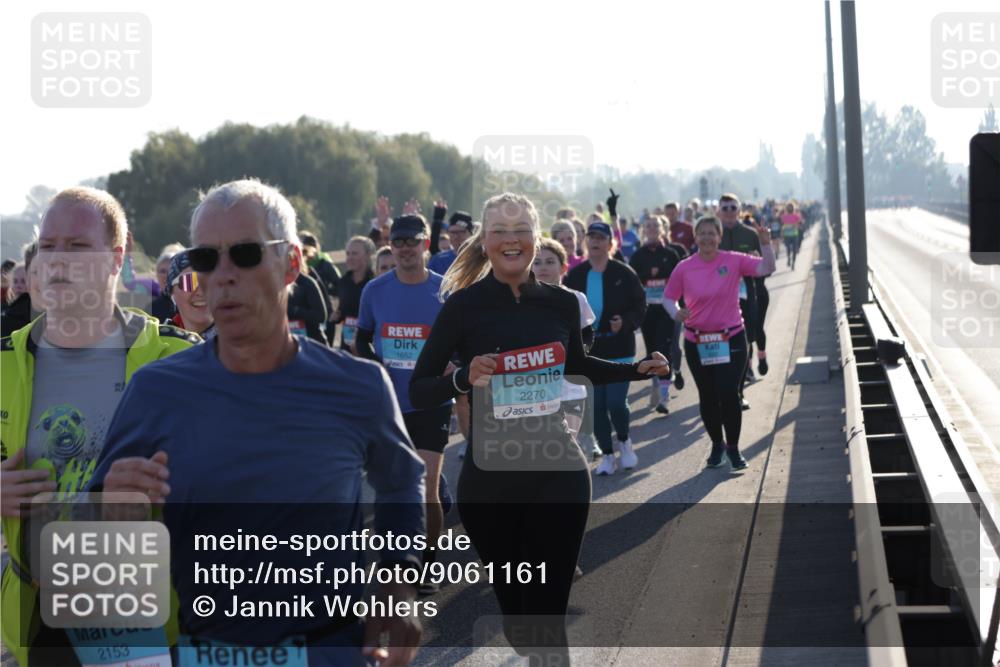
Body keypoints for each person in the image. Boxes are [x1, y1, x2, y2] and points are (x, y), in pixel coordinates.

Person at [90, 178, 425, 666]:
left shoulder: (359, 386)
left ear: (291, 263)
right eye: (205, 259)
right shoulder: (155, 392)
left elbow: (401, 482)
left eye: (245, 254)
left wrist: (398, 581)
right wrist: (109, 512)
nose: (222, 276)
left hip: (332, 650)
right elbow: (97, 529)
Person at [409, 192, 668, 662]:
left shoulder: (562, 304)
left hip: (558, 469)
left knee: (547, 623)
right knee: (522, 624)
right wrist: (463, 377)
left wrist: (636, 369)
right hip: (490, 482)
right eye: (500, 231)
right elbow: (419, 389)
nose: (512, 240)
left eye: (521, 230)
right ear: (484, 242)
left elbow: (577, 364)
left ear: (536, 236)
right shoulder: (462, 309)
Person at [0, 187, 197, 667]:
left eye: (77, 246)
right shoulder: (5, 362)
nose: (57, 261)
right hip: (35, 623)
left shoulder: (180, 359)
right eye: (48, 246)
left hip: (148, 618)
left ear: (116, 257)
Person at [355, 214, 451, 596]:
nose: (406, 248)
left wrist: (453, 366)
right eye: (399, 242)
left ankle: (427, 562)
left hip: (431, 400)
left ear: (427, 243)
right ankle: (394, 561)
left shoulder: (446, 291)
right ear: (390, 246)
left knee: (427, 486)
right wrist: (375, 368)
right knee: (391, 487)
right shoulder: (375, 291)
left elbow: (461, 343)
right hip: (389, 404)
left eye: (413, 240)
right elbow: (361, 340)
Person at [663, 216, 775, 472]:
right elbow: (669, 299)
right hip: (697, 340)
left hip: (731, 337)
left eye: (711, 233)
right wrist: (676, 312)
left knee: (728, 393)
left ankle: (734, 449)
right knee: (708, 396)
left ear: (719, 236)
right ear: (695, 237)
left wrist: (766, 244)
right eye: (701, 233)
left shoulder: (733, 260)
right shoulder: (684, 267)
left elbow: (767, 268)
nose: (706, 238)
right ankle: (717, 445)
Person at [564, 210, 648, 476]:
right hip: (589, 351)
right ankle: (608, 456)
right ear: (585, 242)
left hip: (620, 348)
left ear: (610, 243)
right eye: (591, 237)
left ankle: (623, 439)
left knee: (614, 402)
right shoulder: (575, 276)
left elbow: (640, 305)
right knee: (596, 408)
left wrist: (624, 322)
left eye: (601, 237)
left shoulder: (624, 272)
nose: (595, 241)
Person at [630, 215, 683, 415]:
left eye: (655, 226)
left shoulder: (670, 254)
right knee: (651, 349)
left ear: (662, 229)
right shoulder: (637, 256)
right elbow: (632, 284)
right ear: (644, 230)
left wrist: (682, 307)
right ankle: (658, 385)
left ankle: (664, 396)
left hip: (666, 308)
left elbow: (680, 281)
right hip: (647, 310)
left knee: (664, 347)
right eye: (648, 226)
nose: (652, 229)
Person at [717, 193, 761, 410]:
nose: (729, 211)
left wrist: (756, 258)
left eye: (732, 207)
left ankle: (739, 391)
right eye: (724, 208)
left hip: (746, 294)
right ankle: (725, 389)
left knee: (745, 341)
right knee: (722, 343)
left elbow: (763, 267)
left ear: (739, 209)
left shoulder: (750, 234)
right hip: (719, 298)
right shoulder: (712, 235)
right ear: (718, 211)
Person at [299, 230, 342, 344]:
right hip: (304, 322)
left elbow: (340, 286)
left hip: (325, 316)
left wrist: (327, 291)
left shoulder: (324, 265)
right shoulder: (295, 270)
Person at [335, 235, 376, 353]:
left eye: (354, 253)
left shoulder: (375, 283)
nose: (350, 258)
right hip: (346, 345)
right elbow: (343, 311)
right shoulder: (343, 282)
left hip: (369, 346)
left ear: (368, 256)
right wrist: (337, 316)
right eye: (348, 254)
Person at [163, 249, 215, 338]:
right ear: (172, 295)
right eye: (189, 281)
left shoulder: (241, 341)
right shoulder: (159, 342)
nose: (201, 292)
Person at [1, 243, 39, 337]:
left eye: (23, 281)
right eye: (15, 281)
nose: (18, 285)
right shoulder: (8, 308)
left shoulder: (31, 311)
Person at [287, 264, 329, 345]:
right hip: (288, 346)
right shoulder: (274, 284)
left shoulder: (307, 282)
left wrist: (296, 310)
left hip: (312, 344)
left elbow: (321, 315)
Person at [781, 201, 803, 269]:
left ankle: (789, 259)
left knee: (788, 249)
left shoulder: (784, 216)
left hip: (787, 235)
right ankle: (793, 262)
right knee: (794, 249)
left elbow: (782, 224)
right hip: (794, 234)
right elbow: (800, 223)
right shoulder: (796, 216)